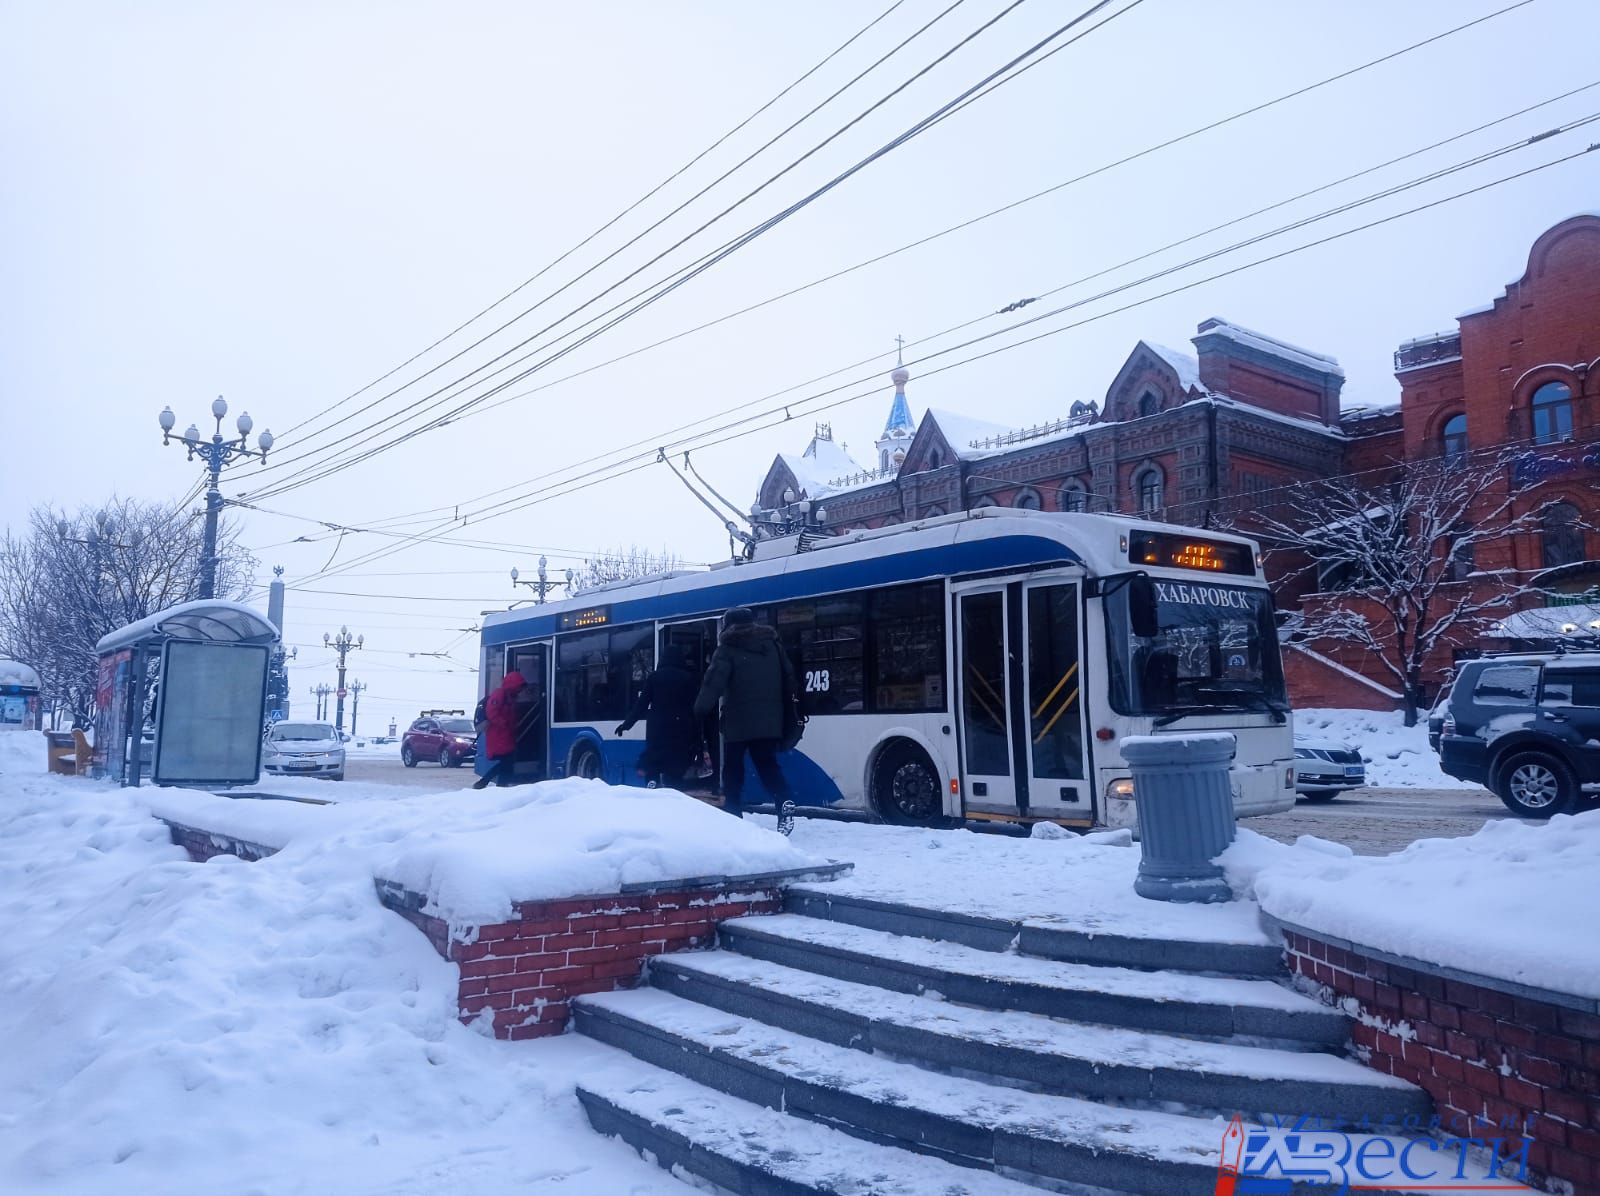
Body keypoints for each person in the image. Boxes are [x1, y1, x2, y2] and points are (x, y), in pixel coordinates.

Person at [693, 607, 798, 834]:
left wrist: (699, 709)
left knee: (733, 769)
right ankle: (784, 800)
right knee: (767, 765)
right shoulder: (773, 646)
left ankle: (732, 813)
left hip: (738, 721)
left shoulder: (728, 649)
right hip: (771, 720)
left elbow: (713, 684)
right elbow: (789, 677)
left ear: (729, 625)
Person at [615, 644, 702, 789]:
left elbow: (641, 705)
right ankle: (674, 786)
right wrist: (698, 734)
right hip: (681, 727)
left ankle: (652, 782)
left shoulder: (654, 677)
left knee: (655, 758)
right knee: (676, 761)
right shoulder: (688, 678)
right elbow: (695, 707)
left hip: (658, 727)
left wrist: (627, 724)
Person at [472, 670, 525, 789]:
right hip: (498, 735)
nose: (520, 690)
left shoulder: (510, 696)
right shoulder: (500, 694)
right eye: (519, 687)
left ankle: (499, 785)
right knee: (507, 762)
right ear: (513, 685)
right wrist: (504, 723)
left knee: (507, 763)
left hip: (505, 735)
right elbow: (492, 712)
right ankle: (488, 783)